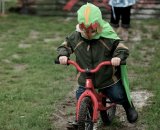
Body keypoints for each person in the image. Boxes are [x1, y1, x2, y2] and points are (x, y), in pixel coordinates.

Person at [56, 3, 138, 124]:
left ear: (98, 26)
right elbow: (65, 45)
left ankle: (128, 107)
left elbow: (121, 48)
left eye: (92, 31)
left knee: (118, 95)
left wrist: (118, 57)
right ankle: (80, 120)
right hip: (85, 77)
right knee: (80, 97)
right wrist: (63, 55)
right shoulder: (76, 36)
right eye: (85, 31)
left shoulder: (107, 36)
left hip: (107, 78)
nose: (88, 34)